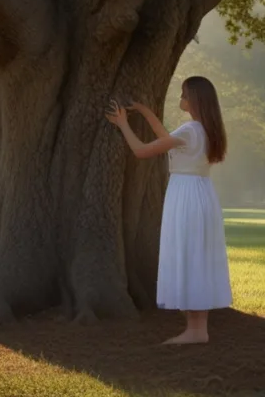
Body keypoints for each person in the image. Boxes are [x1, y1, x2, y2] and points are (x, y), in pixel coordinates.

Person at [105, 76, 232, 345]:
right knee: (196, 256)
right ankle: (197, 328)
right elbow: (167, 139)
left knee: (189, 255)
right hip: (200, 193)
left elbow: (141, 151)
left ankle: (196, 330)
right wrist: (146, 112)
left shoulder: (189, 130)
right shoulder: (205, 130)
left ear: (195, 99)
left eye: (184, 95)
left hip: (186, 195)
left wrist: (123, 124)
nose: (181, 99)